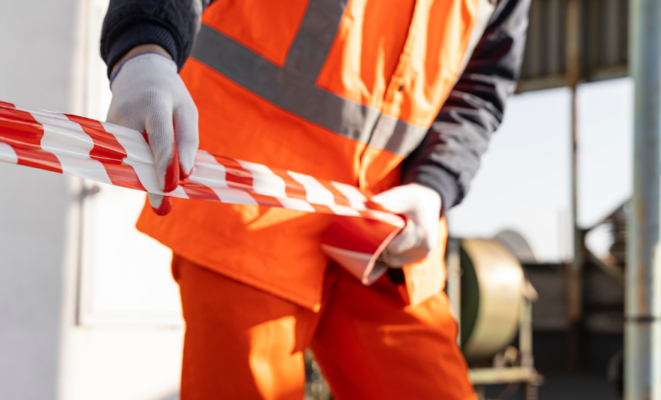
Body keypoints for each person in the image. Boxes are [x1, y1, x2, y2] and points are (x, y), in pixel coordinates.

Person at [100, 0, 529, 398]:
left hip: (383, 224)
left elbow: (480, 86)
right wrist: (143, 48)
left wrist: (435, 184)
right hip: (250, 197)